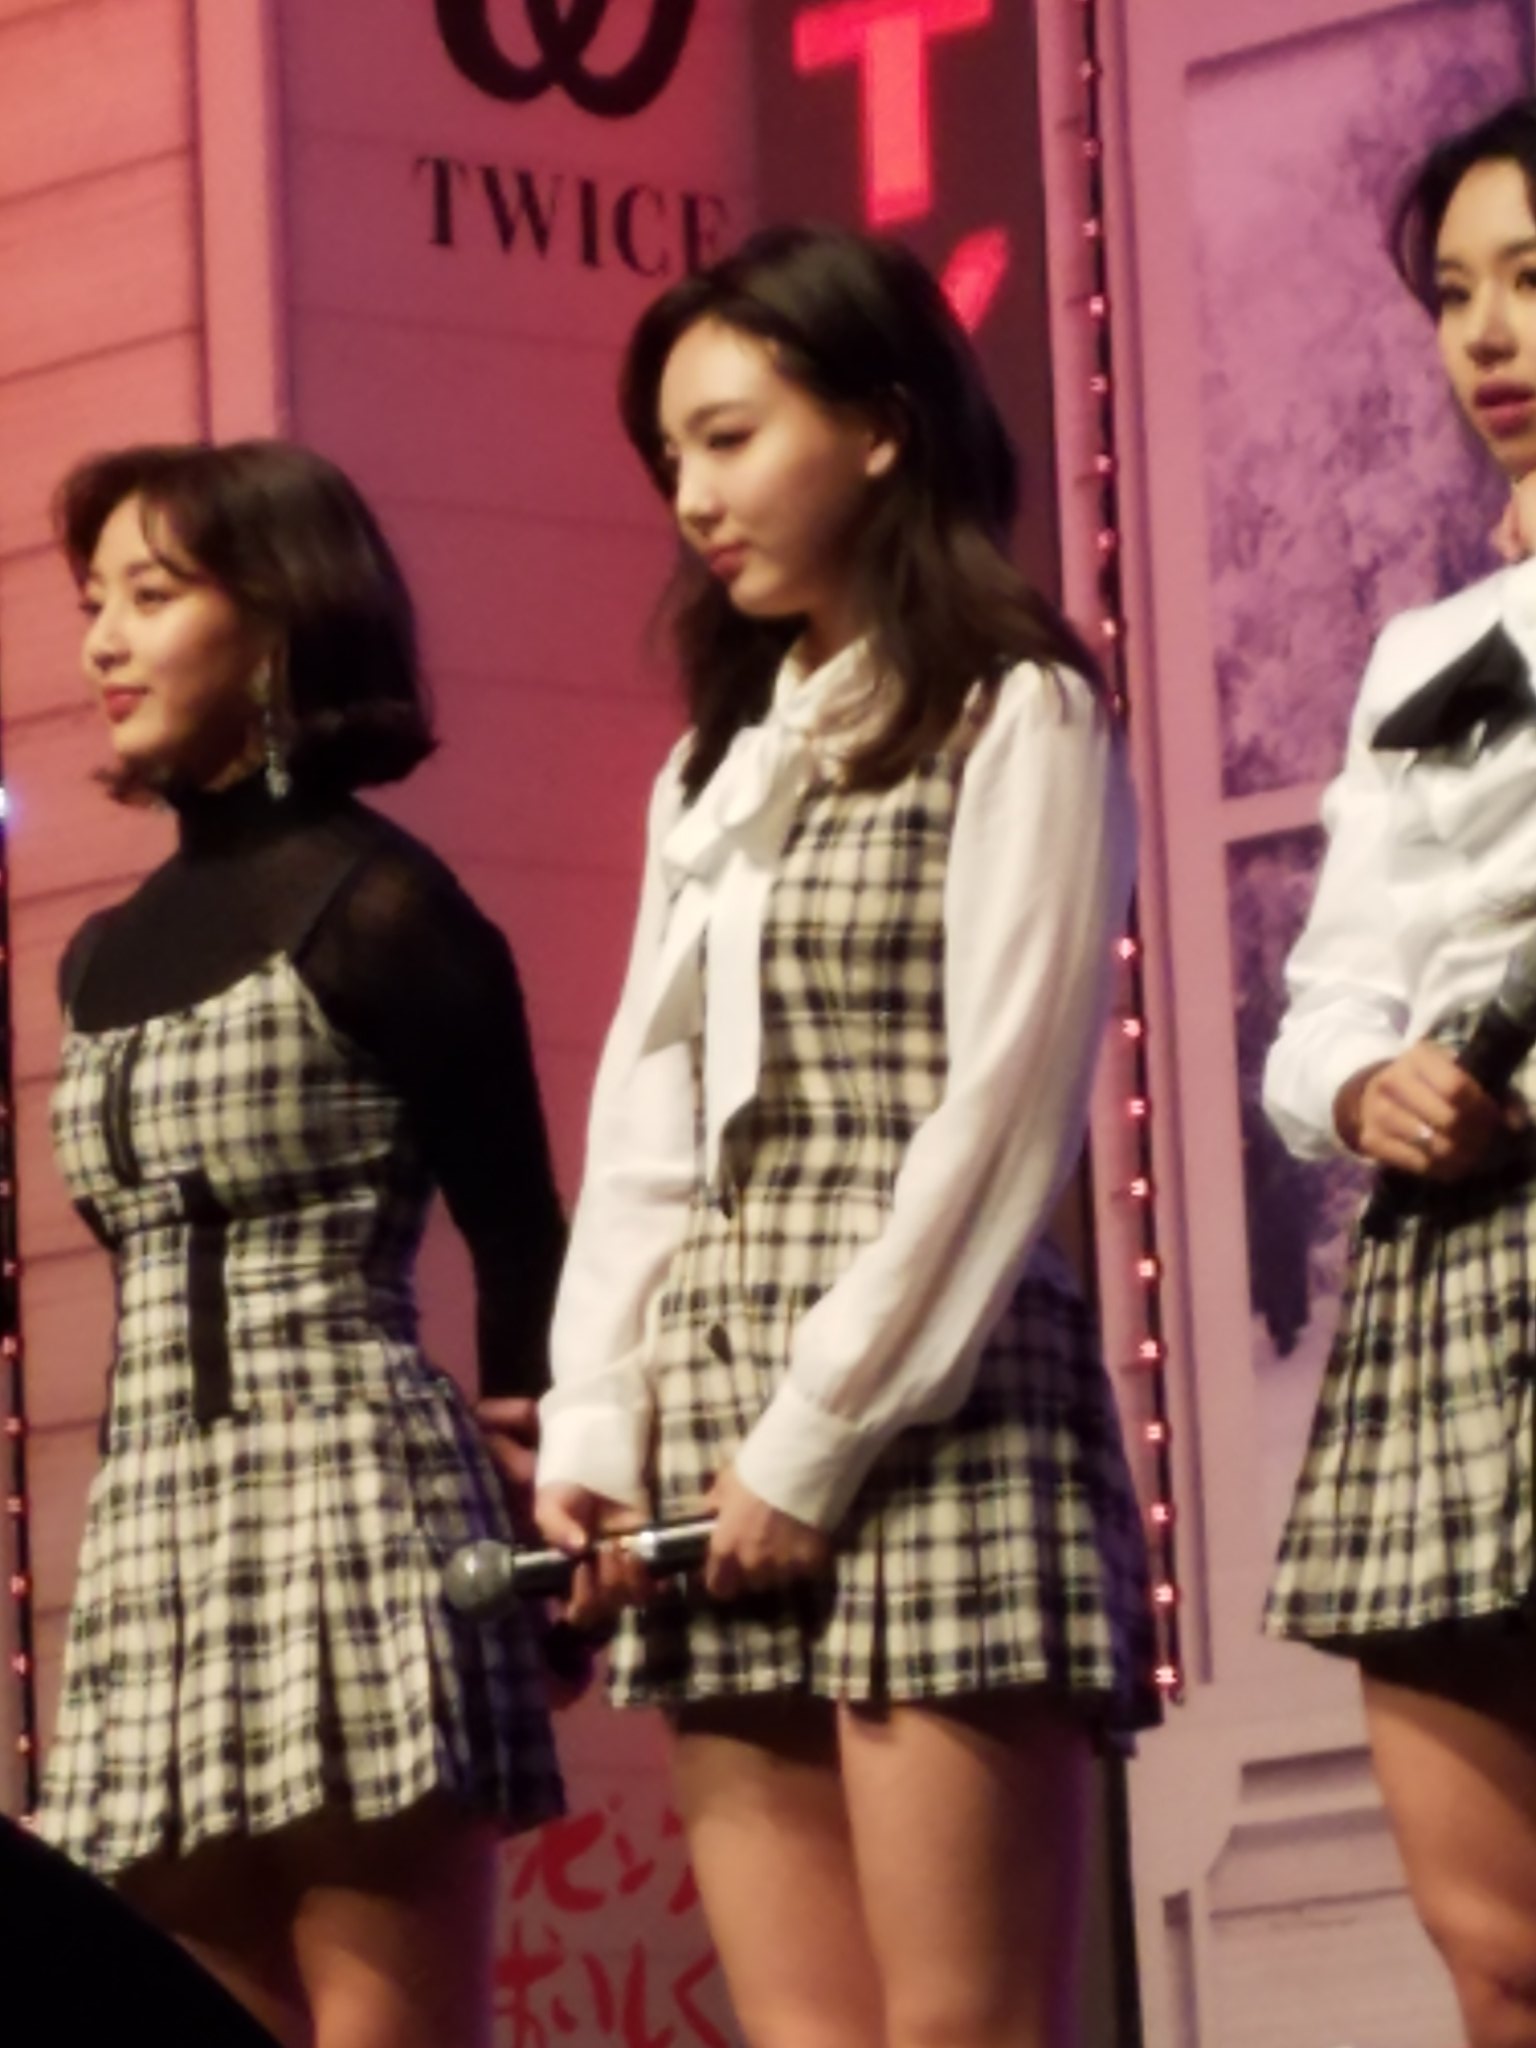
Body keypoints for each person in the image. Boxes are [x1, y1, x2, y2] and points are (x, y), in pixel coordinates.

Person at [534, 225, 1158, 2048]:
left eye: (730, 439)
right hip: (718, 1399)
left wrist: (817, 1433)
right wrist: (599, 1422)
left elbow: (1006, 1106)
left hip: (929, 1404)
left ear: (881, 426)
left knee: (961, 2024)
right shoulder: (713, 763)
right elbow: (647, 1119)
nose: (693, 499)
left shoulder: (1017, 706)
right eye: (671, 457)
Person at [34, 441, 566, 2048]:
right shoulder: (98, 954)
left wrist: (546, 1490)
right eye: (93, 601)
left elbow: (519, 1229)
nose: (104, 640)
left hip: (349, 1489)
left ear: (276, 624)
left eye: (151, 595)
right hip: (152, 1523)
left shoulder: (386, 907)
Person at [1264, 98, 1536, 2048]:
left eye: (1534, 280)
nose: (1489, 337)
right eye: (1453, 294)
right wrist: (1369, 1090)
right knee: (1495, 1955)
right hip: (1448, 1284)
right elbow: (1325, 998)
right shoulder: (1423, 646)